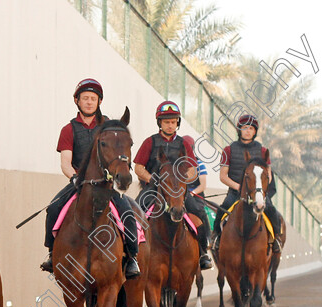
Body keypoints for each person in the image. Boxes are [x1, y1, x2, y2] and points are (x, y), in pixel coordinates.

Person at [39, 78, 140, 279]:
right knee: (53, 208)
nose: (89, 102)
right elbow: (65, 162)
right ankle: (52, 254)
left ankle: (132, 257)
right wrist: (74, 177)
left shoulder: (108, 127)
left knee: (127, 211)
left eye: (93, 98)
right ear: (77, 101)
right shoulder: (68, 130)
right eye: (85, 98)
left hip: (106, 186)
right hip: (80, 184)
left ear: (99, 102)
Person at [132, 101, 213, 270]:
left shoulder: (183, 143)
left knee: (198, 211)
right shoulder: (150, 142)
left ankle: (203, 252)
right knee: (135, 211)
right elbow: (138, 167)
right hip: (154, 189)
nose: (170, 125)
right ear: (159, 123)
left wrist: (182, 180)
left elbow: (193, 170)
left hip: (179, 190)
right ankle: (132, 255)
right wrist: (151, 178)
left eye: (173, 122)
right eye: (166, 122)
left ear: (178, 123)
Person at [211, 114, 282, 253]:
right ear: (239, 130)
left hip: (257, 192)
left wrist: (260, 190)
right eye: (244, 128)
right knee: (223, 208)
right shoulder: (228, 150)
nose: (248, 131)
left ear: (255, 131)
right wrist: (238, 187)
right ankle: (216, 237)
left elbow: (268, 175)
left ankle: (277, 239)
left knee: (272, 210)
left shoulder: (262, 151)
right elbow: (223, 176)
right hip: (236, 191)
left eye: (251, 128)